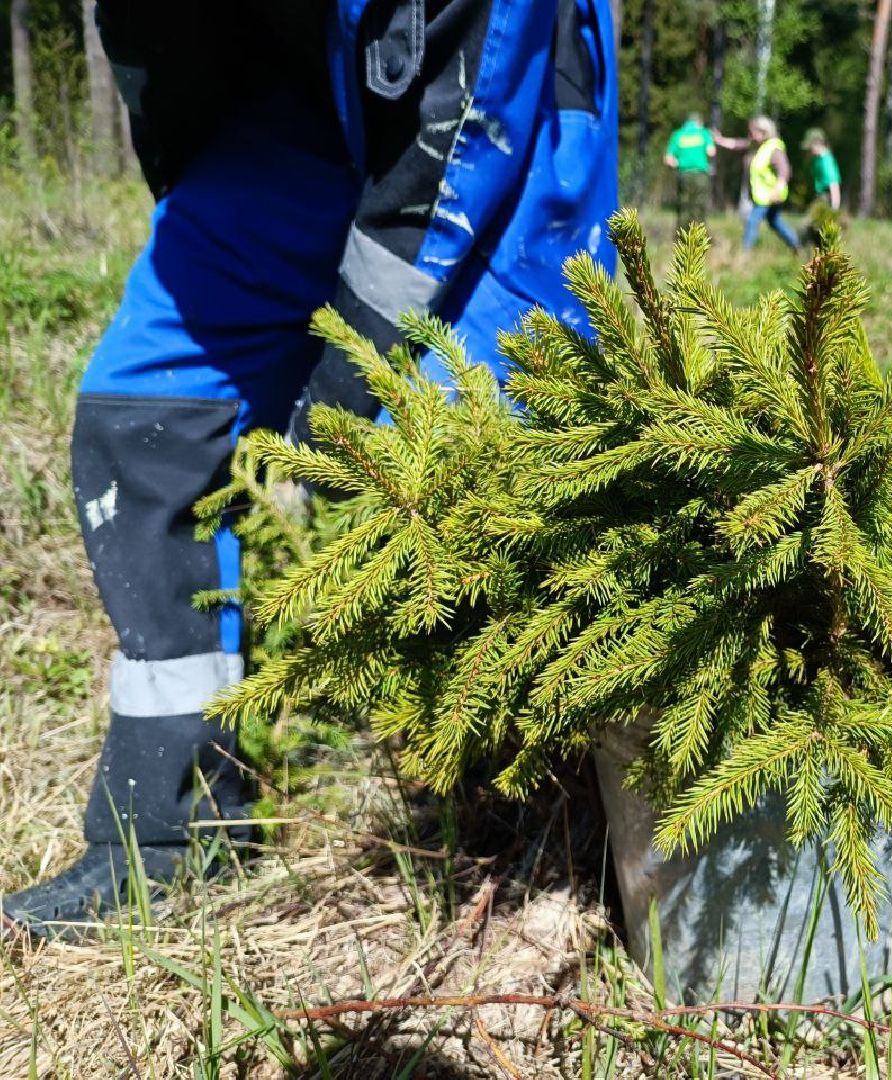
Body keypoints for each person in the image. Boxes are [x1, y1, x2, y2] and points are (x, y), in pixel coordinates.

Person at [1, 0, 618, 940]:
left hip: (500, 98)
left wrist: (336, 395)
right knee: (144, 415)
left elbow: (460, 137)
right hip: (284, 97)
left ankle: (572, 824)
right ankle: (171, 834)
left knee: (484, 450)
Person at [714, 116, 800, 252]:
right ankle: (798, 247)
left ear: (764, 131)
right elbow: (739, 144)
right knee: (775, 222)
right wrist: (721, 140)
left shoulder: (774, 148)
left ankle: (744, 254)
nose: (750, 135)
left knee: (752, 221)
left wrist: (778, 188)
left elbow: (784, 170)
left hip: (770, 195)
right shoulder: (759, 145)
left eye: (753, 132)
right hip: (765, 195)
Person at [664, 113, 715, 231]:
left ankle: (681, 237)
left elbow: (668, 159)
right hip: (700, 174)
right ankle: (700, 235)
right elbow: (711, 152)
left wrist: (680, 163)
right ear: (699, 123)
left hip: (684, 174)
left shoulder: (678, 135)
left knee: (683, 205)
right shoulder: (704, 133)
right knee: (699, 205)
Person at [802, 128, 842, 211]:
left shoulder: (826, 161)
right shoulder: (818, 159)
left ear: (818, 144)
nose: (809, 150)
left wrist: (834, 209)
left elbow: (834, 185)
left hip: (826, 199)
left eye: (811, 146)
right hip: (819, 197)